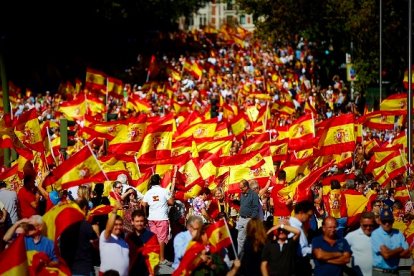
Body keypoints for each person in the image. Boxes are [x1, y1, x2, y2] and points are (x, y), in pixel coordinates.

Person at [59, 198, 99, 276]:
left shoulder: (64, 224)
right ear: (84, 208)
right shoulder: (85, 225)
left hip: (67, 269)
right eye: (87, 209)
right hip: (83, 269)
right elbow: (97, 243)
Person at [142, 173, 175, 266]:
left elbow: (143, 204)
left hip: (151, 218)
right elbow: (171, 202)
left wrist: (145, 215)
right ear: (160, 181)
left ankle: (155, 258)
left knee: (154, 238)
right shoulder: (164, 191)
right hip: (162, 218)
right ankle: (161, 259)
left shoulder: (148, 192)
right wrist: (170, 198)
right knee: (161, 239)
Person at [371, 209, 411, 275]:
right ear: (380, 221)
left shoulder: (399, 233)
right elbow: (386, 255)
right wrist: (400, 249)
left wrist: (391, 253)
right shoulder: (375, 234)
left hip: (395, 272)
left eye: (389, 221)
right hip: (379, 272)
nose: (387, 224)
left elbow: (408, 254)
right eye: (384, 221)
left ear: (393, 221)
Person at [99, 202, 129, 276]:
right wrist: (115, 210)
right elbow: (108, 229)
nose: (118, 227)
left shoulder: (124, 242)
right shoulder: (105, 237)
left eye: (120, 225)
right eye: (115, 224)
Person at [125, 209, 156, 276]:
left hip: (146, 271)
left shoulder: (151, 236)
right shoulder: (129, 237)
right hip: (131, 271)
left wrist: (152, 272)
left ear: (144, 221)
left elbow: (154, 257)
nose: (139, 223)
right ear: (132, 222)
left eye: (141, 221)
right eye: (137, 221)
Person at [345, 211, 376, 276]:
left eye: (371, 225)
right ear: (361, 223)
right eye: (365, 225)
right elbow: (341, 253)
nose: (368, 228)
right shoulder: (352, 236)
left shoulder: (379, 235)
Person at [288, 200, 314, 276]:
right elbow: (297, 250)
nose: (310, 219)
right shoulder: (293, 226)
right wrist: (315, 249)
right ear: (301, 213)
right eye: (309, 216)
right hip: (297, 266)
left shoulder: (300, 225)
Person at [237, 179, 260, 256]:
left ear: (246, 186)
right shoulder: (242, 194)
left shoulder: (253, 195)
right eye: (240, 188)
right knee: (241, 239)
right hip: (241, 219)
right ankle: (242, 257)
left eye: (242, 188)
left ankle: (242, 257)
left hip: (248, 219)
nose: (240, 189)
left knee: (242, 239)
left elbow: (256, 208)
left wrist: (251, 219)